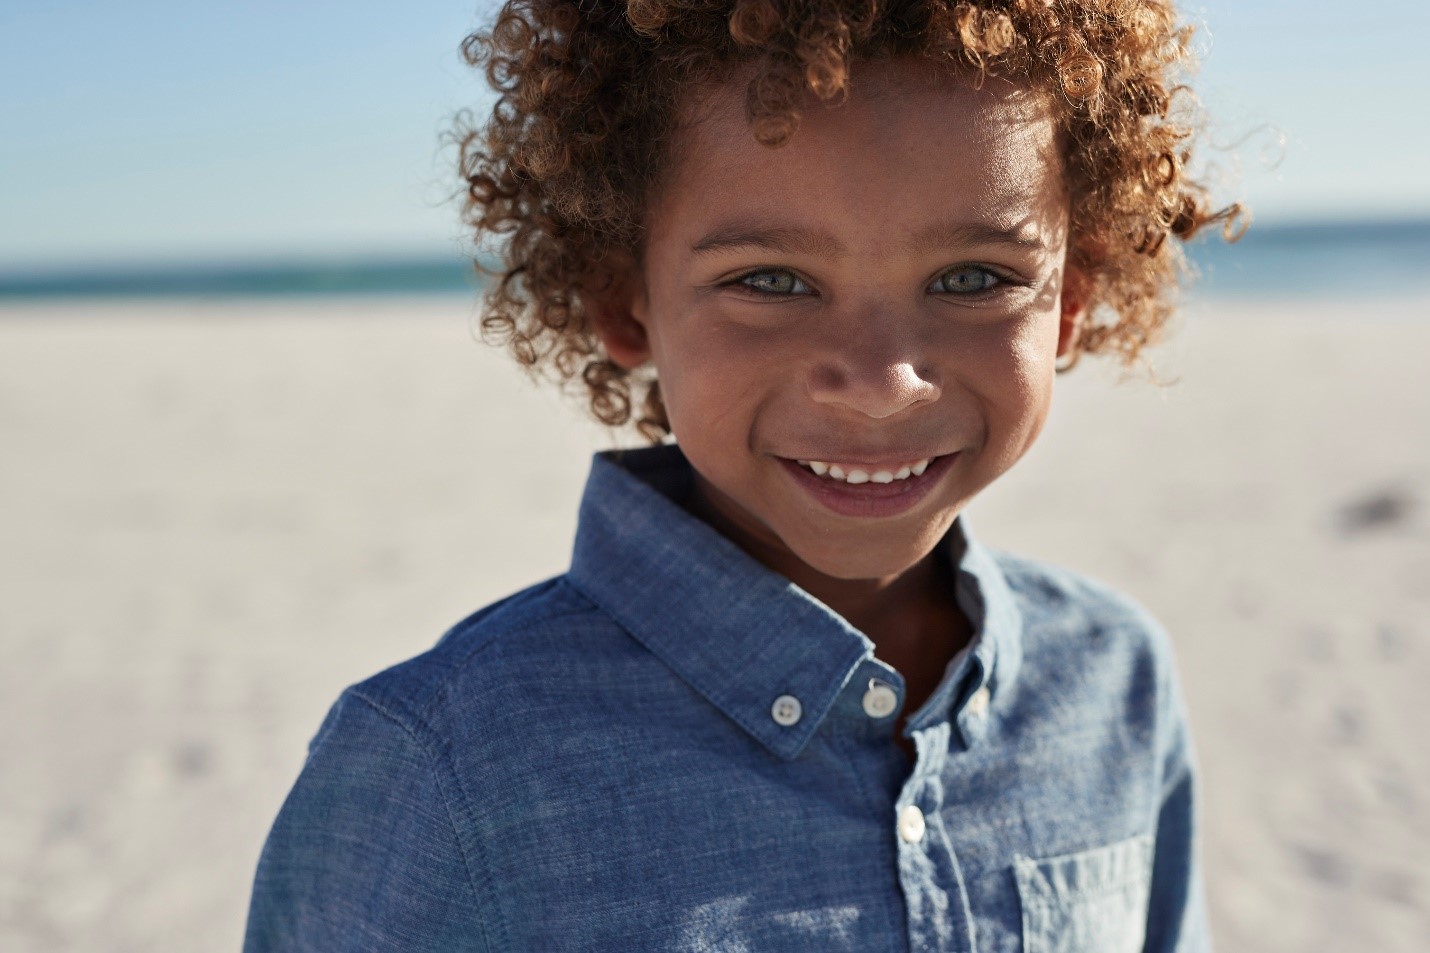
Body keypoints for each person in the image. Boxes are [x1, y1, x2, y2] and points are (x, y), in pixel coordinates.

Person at [244, 1, 1240, 950]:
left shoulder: (1114, 678)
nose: (881, 384)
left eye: (973, 278)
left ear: (1070, 296)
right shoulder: (444, 764)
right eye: (770, 281)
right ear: (622, 298)